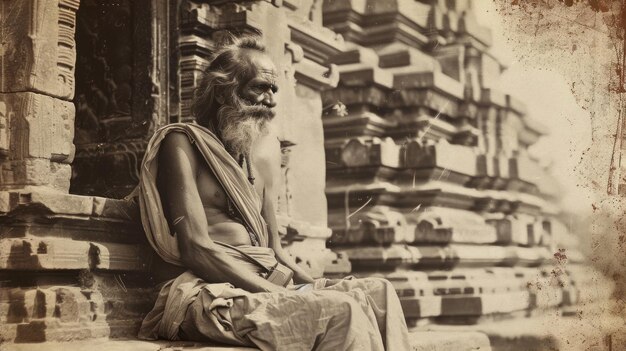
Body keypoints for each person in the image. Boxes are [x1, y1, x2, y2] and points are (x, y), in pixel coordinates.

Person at [135, 34, 411, 351]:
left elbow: (276, 251)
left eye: (274, 90)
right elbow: (196, 248)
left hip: (267, 281)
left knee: (379, 292)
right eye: (259, 87)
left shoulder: (263, 155)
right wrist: (277, 293)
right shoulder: (182, 143)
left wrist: (312, 285)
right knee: (342, 311)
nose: (270, 99)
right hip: (209, 292)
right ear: (225, 90)